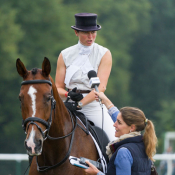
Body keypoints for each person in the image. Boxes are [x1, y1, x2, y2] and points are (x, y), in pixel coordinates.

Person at [55, 13, 116, 141]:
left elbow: (100, 88)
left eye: (93, 32)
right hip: (67, 104)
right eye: (86, 33)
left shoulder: (104, 53)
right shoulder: (64, 54)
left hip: (92, 105)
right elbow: (58, 87)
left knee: (113, 139)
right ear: (76, 32)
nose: (90, 37)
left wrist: (79, 104)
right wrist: (68, 95)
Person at [84, 91, 158, 175]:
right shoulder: (145, 146)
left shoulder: (123, 152)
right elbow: (118, 117)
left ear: (132, 128)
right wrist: (106, 101)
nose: (114, 124)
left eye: (119, 122)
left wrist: (96, 173)